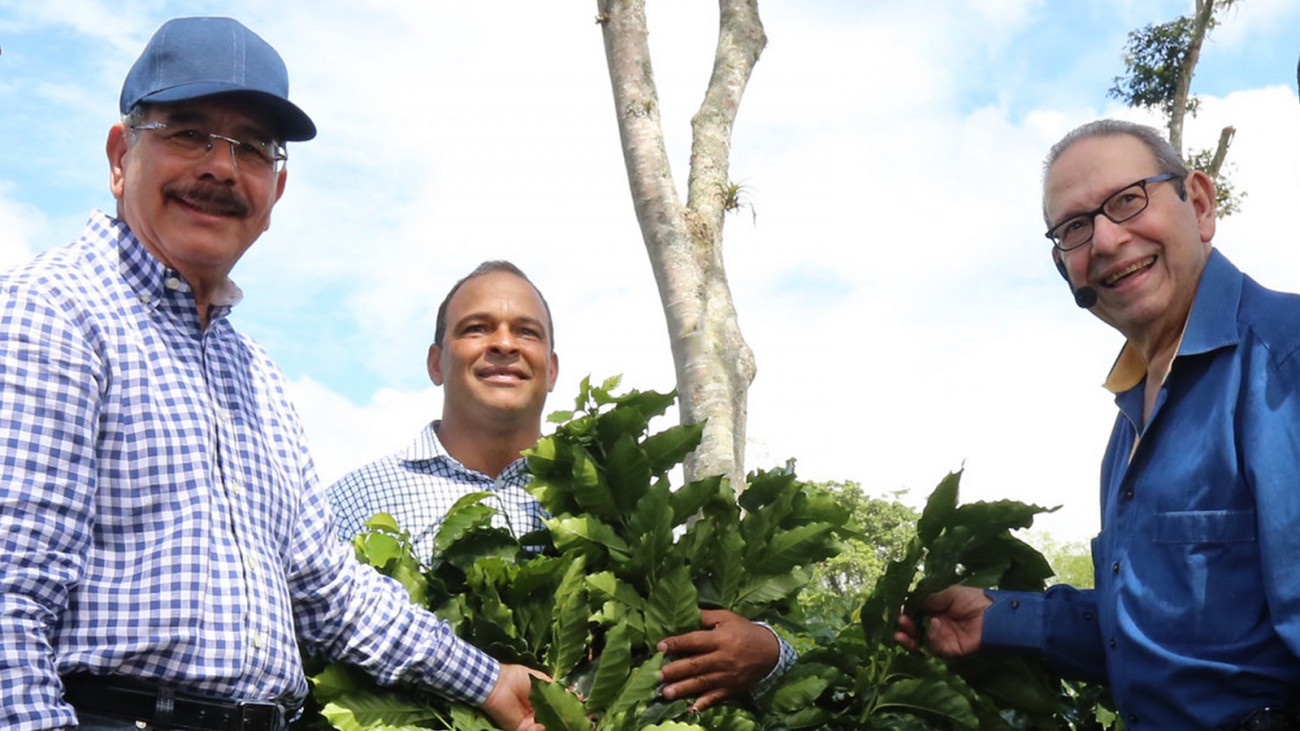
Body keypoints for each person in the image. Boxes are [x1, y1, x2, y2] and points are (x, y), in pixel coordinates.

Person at [0, 18, 543, 731]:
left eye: (252, 148)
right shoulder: (56, 313)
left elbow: (328, 592)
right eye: (188, 132)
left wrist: (489, 680)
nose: (222, 169)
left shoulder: (252, 371)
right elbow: (9, 600)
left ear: (275, 189)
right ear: (119, 156)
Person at [895, 119, 1300, 729]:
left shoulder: (1285, 361)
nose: (1106, 241)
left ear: (1199, 203)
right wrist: (995, 618)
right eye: (1075, 228)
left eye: (1128, 200)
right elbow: (1158, 638)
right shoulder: (1129, 422)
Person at [329, 260, 797, 711]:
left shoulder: (612, 503)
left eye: (526, 332)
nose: (504, 344)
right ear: (436, 362)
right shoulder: (352, 503)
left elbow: (684, 632)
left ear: (551, 369)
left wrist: (769, 652)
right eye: (477, 328)